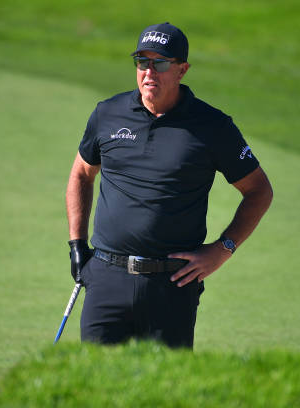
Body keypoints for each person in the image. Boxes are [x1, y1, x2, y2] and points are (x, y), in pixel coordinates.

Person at [66, 22, 273, 349]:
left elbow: (259, 190)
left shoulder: (212, 127)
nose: (149, 72)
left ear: (182, 70)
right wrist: (77, 246)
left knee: (165, 393)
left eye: (159, 63)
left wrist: (222, 250)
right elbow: (81, 173)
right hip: (106, 277)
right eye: (141, 62)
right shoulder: (108, 114)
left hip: (172, 285)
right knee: (94, 387)